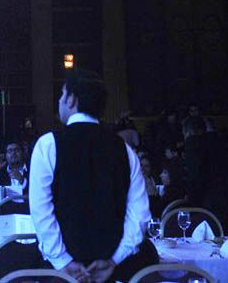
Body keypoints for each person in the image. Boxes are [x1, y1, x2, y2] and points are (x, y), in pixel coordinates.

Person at [29, 69, 156, 282]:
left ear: (71, 99)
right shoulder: (124, 150)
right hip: (112, 273)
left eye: (62, 94)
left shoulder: (48, 144)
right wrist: (115, 259)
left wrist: (63, 261)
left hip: (60, 275)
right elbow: (140, 214)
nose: (59, 101)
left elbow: (41, 211)